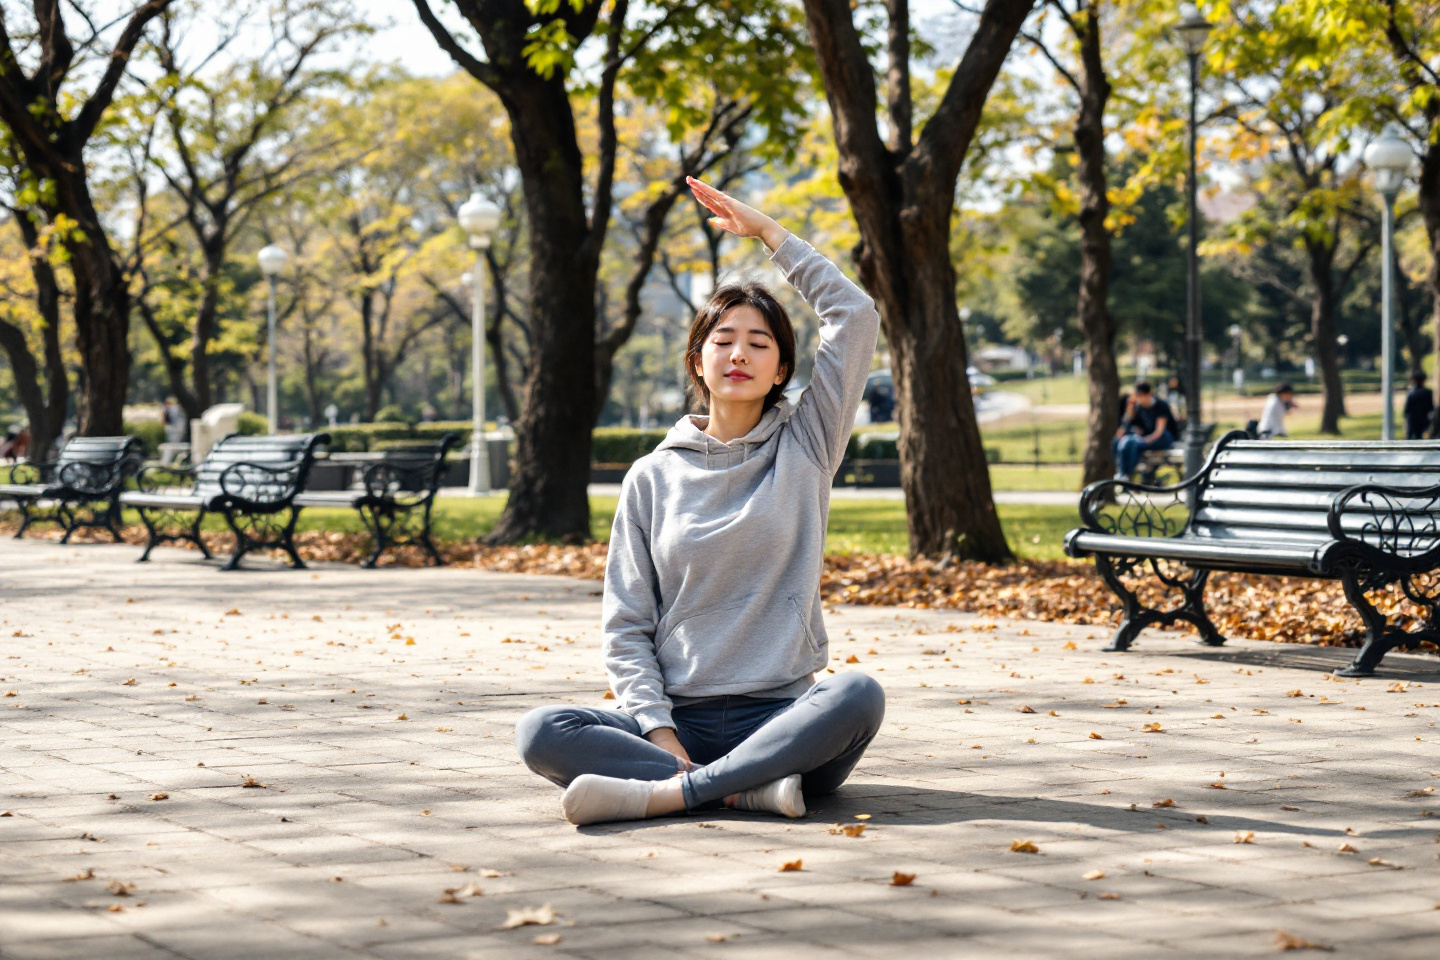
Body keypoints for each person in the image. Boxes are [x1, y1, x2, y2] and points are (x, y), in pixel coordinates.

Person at [514, 177, 886, 826]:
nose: (739, 352)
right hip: (675, 724)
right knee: (542, 731)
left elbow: (855, 316)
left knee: (857, 695)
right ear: (697, 360)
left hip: (783, 720)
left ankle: (675, 793)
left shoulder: (807, 444)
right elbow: (626, 624)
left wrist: (771, 235)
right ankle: (743, 789)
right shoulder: (651, 478)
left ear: (780, 372)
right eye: (723, 339)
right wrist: (660, 733)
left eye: (760, 343)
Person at [1112, 382, 1174, 479]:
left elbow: (1159, 431)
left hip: (1162, 438)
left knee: (1134, 444)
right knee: (1118, 442)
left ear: (1148, 394)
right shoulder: (1138, 407)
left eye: (1140, 395)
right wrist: (1130, 409)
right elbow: (1130, 424)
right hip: (1144, 437)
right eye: (1136, 395)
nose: (1138, 398)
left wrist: (1147, 439)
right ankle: (1121, 472)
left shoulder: (1160, 406)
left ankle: (1128, 474)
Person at [1403, 371, 1434, 441]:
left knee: (1409, 437)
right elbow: (1430, 407)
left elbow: (1407, 408)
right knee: (1419, 436)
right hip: (1423, 419)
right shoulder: (1428, 392)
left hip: (1411, 419)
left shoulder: (1411, 393)